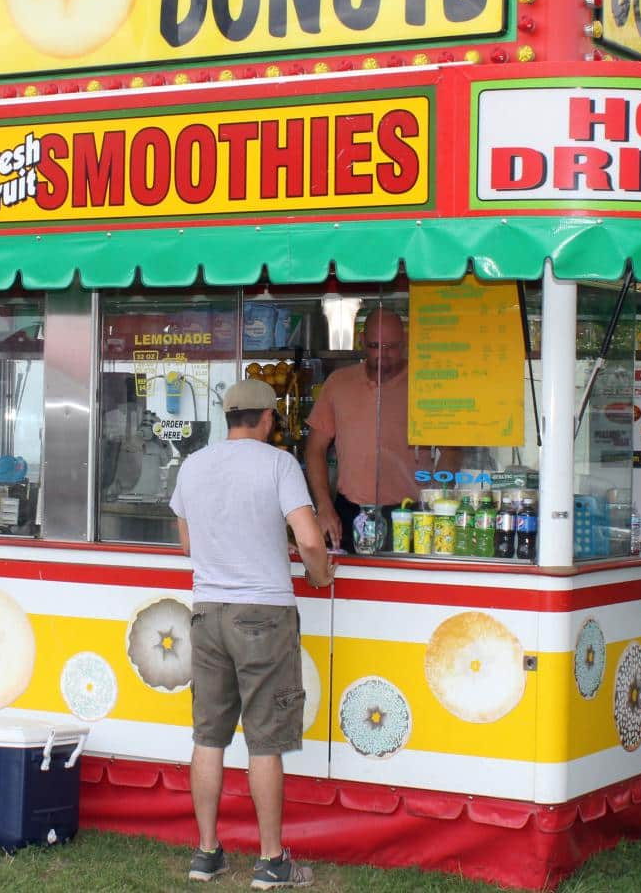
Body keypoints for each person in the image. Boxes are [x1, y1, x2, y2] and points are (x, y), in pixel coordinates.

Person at [171, 378, 333, 889]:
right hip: (263, 612)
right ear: (266, 420)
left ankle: (205, 854)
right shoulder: (279, 464)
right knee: (265, 741)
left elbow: (187, 544)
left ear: (228, 417)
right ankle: (269, 862)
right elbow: (309, 538)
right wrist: (321, 573)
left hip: (208, 609)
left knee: (208, 736)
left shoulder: (193, 464)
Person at [304, 306, 440, 551]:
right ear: (362, 342)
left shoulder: (426, 382)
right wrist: (324, 507)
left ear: (406, 342)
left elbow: (451, 451)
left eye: (392, 347)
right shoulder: (339, 382)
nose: (382, 355)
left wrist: (437, 505)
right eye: (375, 346)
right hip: (349, 510)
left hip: (411, 511)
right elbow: (315, 449)